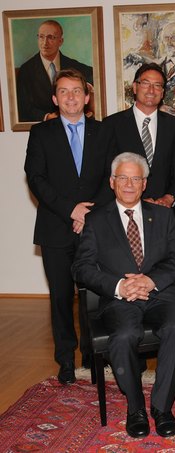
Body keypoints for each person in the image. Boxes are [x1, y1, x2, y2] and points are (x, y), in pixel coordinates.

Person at [72, 152, 175, 439]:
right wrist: (118, 286)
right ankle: (135, 407)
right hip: (118, 299)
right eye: (122, 177)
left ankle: (162, 408)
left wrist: (150, 280)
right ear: (112, 182)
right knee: (124, 335)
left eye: (135, 178)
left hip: (159, 294)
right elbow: (81, 268)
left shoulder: (162, 215)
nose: (128, 184)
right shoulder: (96, 220)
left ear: (144, 184)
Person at [24, 68, 111, 385]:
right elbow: (37, 179)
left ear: (87, 97)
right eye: (64, 91)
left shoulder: (104, 132)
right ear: (54, 98)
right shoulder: (40, 134)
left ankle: (93, 356)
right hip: (55, 229)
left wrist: (87, 213)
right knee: (61, 298)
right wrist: (70, 210)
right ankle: (65, 361)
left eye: (77, 91)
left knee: (94, 297)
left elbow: (110, 178)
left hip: (94, 228)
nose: (71, 97)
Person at [101, 63, 175, 208]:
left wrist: (170, 197)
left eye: (158, 85)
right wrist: (135, 199)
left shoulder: (173, 125)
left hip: (162, 211)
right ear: (134, 87)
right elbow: (107, 171)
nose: (151, 90)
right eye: (145, 83)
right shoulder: (112, 124)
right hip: (125, 210)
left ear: (162, 92)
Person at [17, 20, 94, 122]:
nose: (45, 42)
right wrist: (47, 117)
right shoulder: (26, 70)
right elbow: (23, 107)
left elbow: (93, 75)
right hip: (45, 127)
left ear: (60, 41)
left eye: (51, 37)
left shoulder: (75, 67)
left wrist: (87, 87)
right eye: (41, 37)